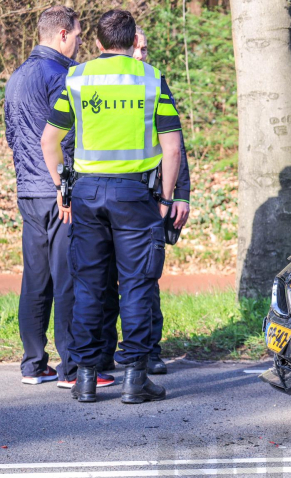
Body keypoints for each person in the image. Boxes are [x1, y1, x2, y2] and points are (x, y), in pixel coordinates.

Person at [41, 9, 183, 403]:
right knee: (136, 283)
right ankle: (135, 379)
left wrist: (61, 185)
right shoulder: (151, 79)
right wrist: (168, 198)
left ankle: (86, 378)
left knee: (88, 283)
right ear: (130, 41)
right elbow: (171, 147)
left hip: (86, 195)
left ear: (100, 43)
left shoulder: (78, 78)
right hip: (136, 196)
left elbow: (49, 141)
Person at [4, 6, 113, 388]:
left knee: (35, 279)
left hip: (28, 190)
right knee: (69, 276)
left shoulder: (15, 77)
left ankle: (33, 364)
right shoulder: (62, 75)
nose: (82, 42)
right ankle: (71, 369)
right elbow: (66, 138)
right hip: (58, 191)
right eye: (80, 35)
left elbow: (13, 135)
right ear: (63, 34)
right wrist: (67, 187)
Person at [96, 25, 192, 375]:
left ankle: (148, 352)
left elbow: (175, 144)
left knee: (144, 280)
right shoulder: (98, 84)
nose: (141, 55)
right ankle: (105, 353)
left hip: (152, 196)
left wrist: (180, 193)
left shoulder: (153, 82)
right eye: (136, 49)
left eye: (145, 50)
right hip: (112, 196)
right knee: (105, 281)